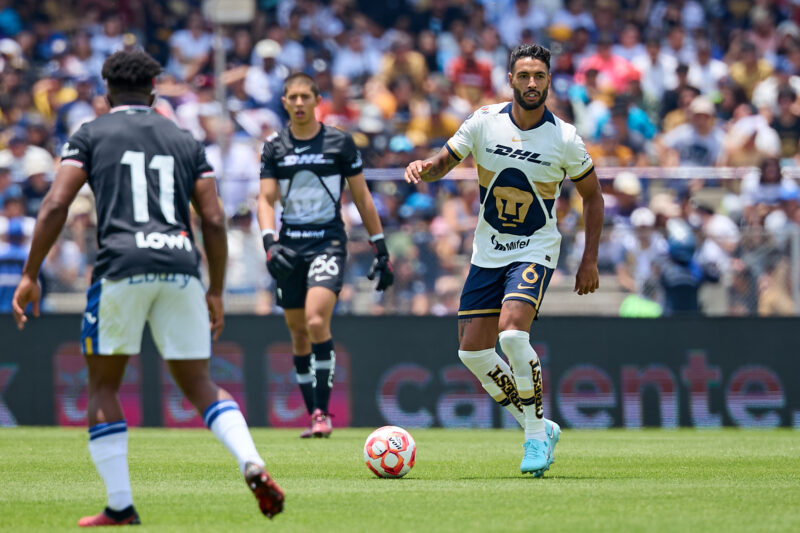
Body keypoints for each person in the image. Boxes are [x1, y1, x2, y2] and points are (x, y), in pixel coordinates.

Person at [11, 50, 284, 526]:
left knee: (103, 385)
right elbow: (214, 219)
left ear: (106, 91)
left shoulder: (91, 133)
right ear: (155, 90)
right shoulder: (183, 137)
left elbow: (56, 203)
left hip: (121, 265)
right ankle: (250, 460)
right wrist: (215, 290)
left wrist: (31, 273)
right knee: (200, 384)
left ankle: (120, 504)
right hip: (180, 264)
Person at [404, 43, 603, 476]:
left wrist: (589, 259)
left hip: (535, 248)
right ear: (510, 79)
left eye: (540, 76)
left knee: (512, 336)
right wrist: (425, 167)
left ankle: (534, 441)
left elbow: (593, 196)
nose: (532, 83)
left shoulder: (565, 137)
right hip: (488, 250)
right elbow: (445, 161)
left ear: (549, 81)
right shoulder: (483, 122)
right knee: (472, 353)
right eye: (524, 75)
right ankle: (538, 424)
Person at [258, 72, 394, 439]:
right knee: (298, 333)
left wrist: (379, 247)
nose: (299, 103)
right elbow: (266, 199)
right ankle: (313, 412)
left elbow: (362, 197)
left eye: (305, 96)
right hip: (288, 247)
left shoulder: (339, 143)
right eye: (292, 97)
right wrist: (270, 242)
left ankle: (322, 412)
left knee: (317, 321)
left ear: (317, 100)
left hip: (328, 243)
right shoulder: (273, 146)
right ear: (284, 102)